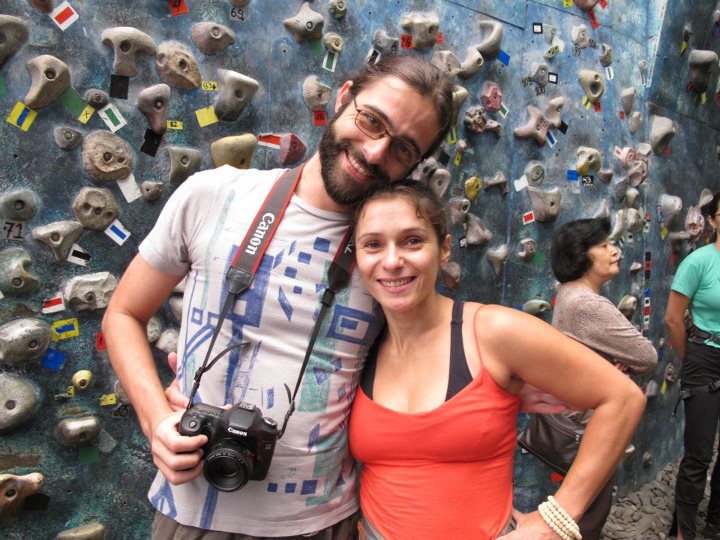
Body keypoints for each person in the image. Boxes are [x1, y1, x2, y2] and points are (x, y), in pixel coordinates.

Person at [102, 54, 455, 538]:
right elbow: (123, 312)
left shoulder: (390, 258)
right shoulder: (212, 194)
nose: (375, 153)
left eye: (403, 149)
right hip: (196, 506)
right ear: (344, 96)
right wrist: (156, 419)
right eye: (372, 121)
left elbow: (428, 356)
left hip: (324, 521)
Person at [347, 181, 647, 539]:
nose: (392, 261)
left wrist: (557, 518)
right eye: (373, 244)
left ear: (444, 250)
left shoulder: (492, 331)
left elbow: (623, 398)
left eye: (412, 241)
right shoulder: (358, 348)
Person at [549, 218, 658, 539]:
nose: (615, 251)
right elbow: (646, 357)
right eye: (604, 245)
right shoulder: (587, 304)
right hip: (590, 426)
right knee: (588, 518)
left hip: (574, 417)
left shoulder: (567, 292)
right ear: (581, 255)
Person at [665, 191, 720, 540]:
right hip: (704, 357)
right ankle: (683, 530)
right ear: (713, 220)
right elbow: (673, 319)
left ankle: (715, 523)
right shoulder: (699, 262)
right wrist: (691, 360)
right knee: (699, 452)